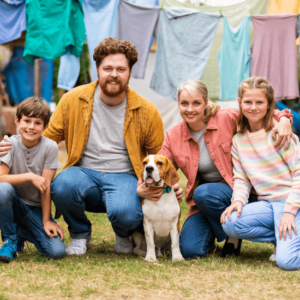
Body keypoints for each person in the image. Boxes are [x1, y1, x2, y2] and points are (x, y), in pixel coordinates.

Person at [0, 38, 180, 256]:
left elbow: (160, 155)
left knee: (127, 212)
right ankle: (79, 234)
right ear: (97, 70)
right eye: (108, 68)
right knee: (61, 186)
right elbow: (44, 138)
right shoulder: (73, 100)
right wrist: (10, 144)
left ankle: (123, 234)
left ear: (130, 72)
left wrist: (166, 184)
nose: (114, 74)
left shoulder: (147, 110)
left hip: (124, 176)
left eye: (121, 69)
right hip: (82, 173)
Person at [138, 78, 294, 259]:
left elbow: (257, 110)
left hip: (240, 192)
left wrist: (284, 119)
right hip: (206, 203)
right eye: (184, 103)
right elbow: (157, 164)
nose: (190, 109)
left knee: (204, 193)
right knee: (190, 250)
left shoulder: (225, 118)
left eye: (196, 103)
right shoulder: (173, 136)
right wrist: (141, 186)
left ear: (206, 102)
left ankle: (233, 235)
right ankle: (221, 226)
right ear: (178, 104)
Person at [221, 77, 300, 270]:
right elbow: (241, 179)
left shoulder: (280, 133)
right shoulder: (238, 140)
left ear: (269, 105)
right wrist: (238, 202)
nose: (253, 107)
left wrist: (289, 212)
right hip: (267, 205)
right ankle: (284, 237)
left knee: (286, 262)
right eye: (248, 102)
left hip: (291, 203)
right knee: (230, 223)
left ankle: (289, 236)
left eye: (259, 102)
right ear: (240, 103)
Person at [0, 97, 65, 262]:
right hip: (13, 205)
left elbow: (46, 186)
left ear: (46, 126)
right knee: (3, 189)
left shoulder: (50, 147)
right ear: (17, 121)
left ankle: (20, 231)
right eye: (27, 121)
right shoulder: (10, 144)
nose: (31, 127)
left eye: (37, 123)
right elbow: (1, 179)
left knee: (55, 252)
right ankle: (10, 240)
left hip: (35, 208)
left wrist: (46, 220)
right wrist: (29, 176)